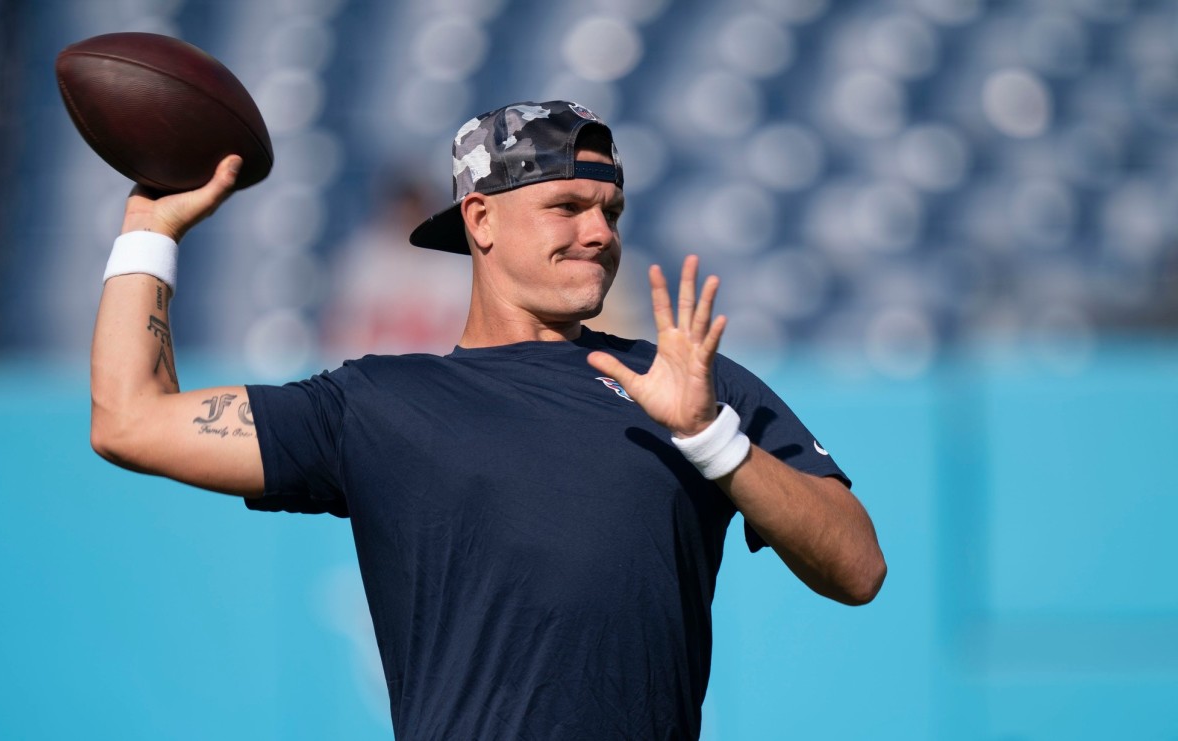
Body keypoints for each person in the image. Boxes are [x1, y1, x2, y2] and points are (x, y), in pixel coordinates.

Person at [90, 100, 886, 739]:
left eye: (611, 209)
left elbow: (859, 567)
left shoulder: (688, 382)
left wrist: (715, 438)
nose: (601, 232)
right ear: (481, 221)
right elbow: (129, 419)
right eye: (567, 205)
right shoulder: (374, 404)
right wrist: (149, 233)